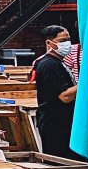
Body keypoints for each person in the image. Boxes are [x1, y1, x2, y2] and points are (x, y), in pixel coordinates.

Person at [33, 25, 78, 159]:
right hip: (56, 124)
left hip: (64, 122)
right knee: (62, 163)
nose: (67, 44)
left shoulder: (59, 62)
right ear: (49, 43)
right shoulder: (49, 65)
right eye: (62, 41)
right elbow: (65, 96)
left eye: (69, 40)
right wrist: (87, 83)